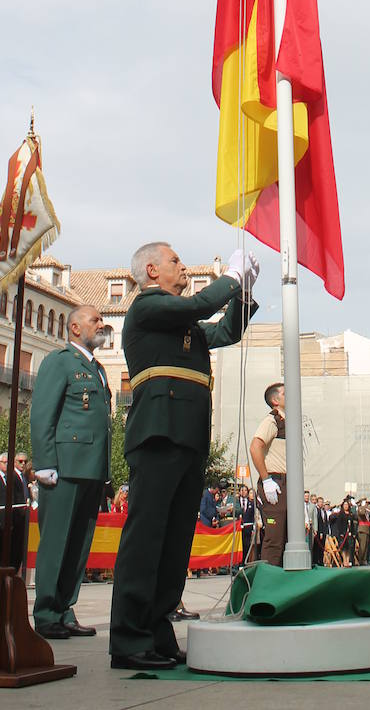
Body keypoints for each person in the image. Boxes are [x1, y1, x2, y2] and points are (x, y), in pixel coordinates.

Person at [108, 241, 258, 671]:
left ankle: (157, 632)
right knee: (146, 537)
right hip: (157, 433)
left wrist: (243, 294)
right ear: (152, 271)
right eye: (175, 261)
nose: (183, 266)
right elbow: (198, 305)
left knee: (175, 542)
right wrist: (230, 278)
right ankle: (129, 639)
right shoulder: (146, 307)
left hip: (189, 435)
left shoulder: (181, 325)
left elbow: (226, 332)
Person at [30, 303, 112, 639]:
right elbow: (42, 415)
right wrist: (45, 462)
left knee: (79, 543)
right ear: (76, 328)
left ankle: (65, 607)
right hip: (63, 467)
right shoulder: (59, 362)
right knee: (56, 541)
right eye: (95, 320)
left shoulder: (98, 368)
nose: (101, 325)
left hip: (91, 468)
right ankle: (47, 612)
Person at [249, 382, 288, 567]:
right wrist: (266, 480)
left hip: (289, 483)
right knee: (275, 539)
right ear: (275, 400)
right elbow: (255, 446)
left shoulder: (288, 422)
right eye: (284, 392)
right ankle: (267, 585)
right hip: (276, 482)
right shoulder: (272, 421)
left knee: (289, 538)